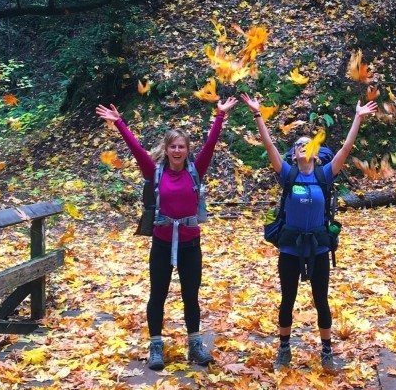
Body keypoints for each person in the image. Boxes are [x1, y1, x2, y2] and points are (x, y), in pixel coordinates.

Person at [95, 97, 237, 369]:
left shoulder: (196, 170)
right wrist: (120, 123)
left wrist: (219, 117)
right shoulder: (155, 171)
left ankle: (195, 346)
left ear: (186, 150)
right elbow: (135, 149)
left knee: (190, 295)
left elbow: (210, 145)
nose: (177, 150)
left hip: (190, 243)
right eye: (172, 146)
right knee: (157, 294)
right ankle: (156, 347)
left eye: (181, 146)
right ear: (166, 148)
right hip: (161, 243)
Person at [240, 94, 377, 370]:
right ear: (294, 154)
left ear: (315, 151)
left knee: (321, 299)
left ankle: (326, 352)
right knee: (287, 298)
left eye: (308, 144)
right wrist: (258, 115)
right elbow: (268, 145)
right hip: (290, 247)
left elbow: (347, 148)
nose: (303, 147)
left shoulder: (324, 174)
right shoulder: (287, 174)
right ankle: (284, 349)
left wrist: (358, 117)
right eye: (298, 145)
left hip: (318, 247)